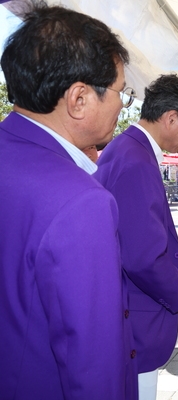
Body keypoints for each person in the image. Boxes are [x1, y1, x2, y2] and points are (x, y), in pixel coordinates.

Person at [0, 5, 137, 399]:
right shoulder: (80, 201)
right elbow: (93, 362)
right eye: (120, 92)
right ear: (79, 99)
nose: (121, 105)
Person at [94, 74, 178, 400]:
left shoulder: (126, 149)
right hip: (134, 318)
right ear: (171, 118)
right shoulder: (135, 160)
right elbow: (142, 257)